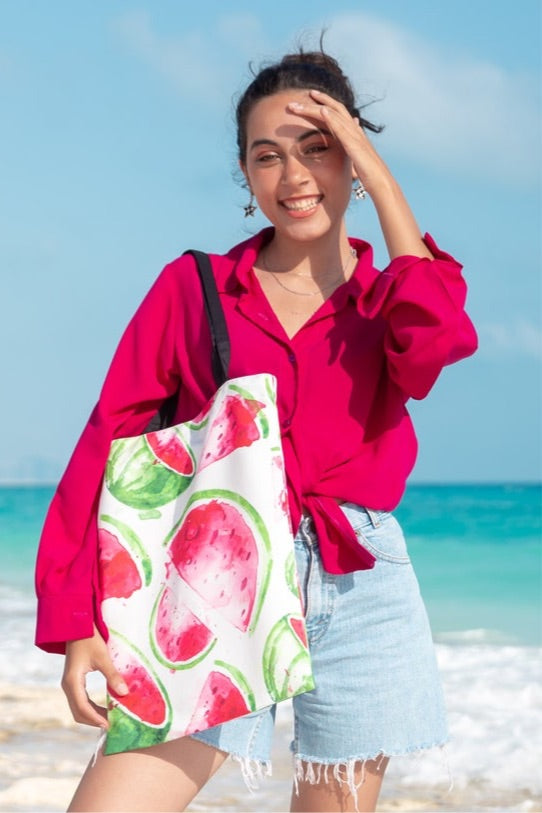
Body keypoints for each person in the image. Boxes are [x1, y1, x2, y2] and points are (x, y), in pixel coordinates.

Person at [35, 45, 477, 813]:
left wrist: (379, 173)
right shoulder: (195, 288)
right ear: (245, 174)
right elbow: (105, 446)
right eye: (266, 157)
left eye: (318, 148)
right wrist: (77, 622)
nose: (294, 175)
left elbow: (436, 341)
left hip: (359, 582)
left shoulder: (388, 298)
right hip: (213, 580)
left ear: (352, 158)